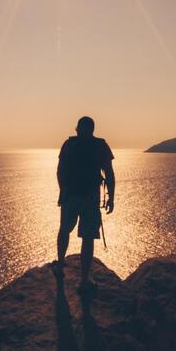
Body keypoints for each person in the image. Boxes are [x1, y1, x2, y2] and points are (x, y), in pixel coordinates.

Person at [54, 116, 115, 293]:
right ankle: (84, 279)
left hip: (70, 195)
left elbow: (60, 171)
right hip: (90, 197)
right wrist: (111, 197)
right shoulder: (100, 145)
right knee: (88, 237)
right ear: (92, 129)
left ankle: (60, 267)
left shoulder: (69, 145)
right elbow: (109, 173)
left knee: (64, 230)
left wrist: (63, 191)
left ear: (77, 129)